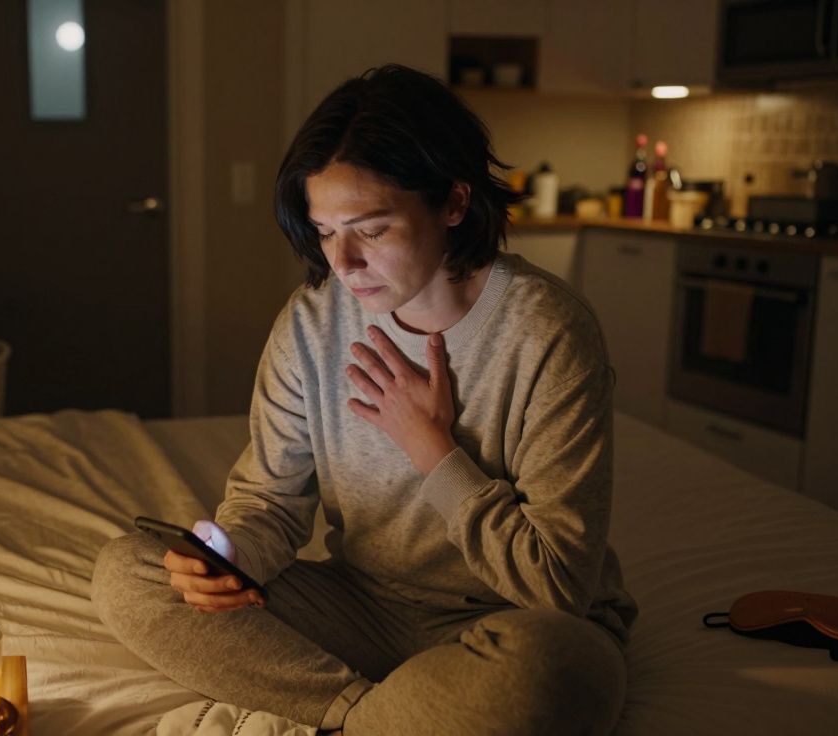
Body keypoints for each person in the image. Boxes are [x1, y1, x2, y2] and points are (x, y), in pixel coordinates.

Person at [92, 64, 638, 735]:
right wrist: (231, 561)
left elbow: (558, 587)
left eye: (371, 229)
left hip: (512, 624)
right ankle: (363, 714)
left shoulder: (547, 331)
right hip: (363, 605)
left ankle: (392, 709)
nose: (342, 263)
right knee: (130, 573)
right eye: (324, 231)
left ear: (454, 203)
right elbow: (270, 502)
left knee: (556, 672)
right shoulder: (311, 322)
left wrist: (433, 449)